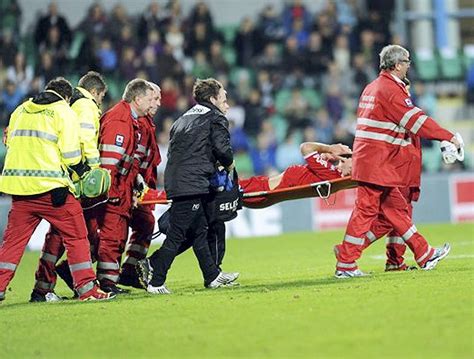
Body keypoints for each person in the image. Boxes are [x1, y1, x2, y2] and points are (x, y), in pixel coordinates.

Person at [333, 44, 459, 278]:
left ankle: (424, 254)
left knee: (396, 211)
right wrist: (448, 136)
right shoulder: (390, 90)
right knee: (366, 212)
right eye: (407, 61)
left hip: (373, 162)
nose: (409, 65)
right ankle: (346, 263)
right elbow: (417, 122)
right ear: (398, 65)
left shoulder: (372, 87)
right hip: (378, 163)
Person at [0, 77, 114, 302]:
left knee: (12, 243)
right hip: (53, 190)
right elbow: (71, 154)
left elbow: (9, 142)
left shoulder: (20, 109)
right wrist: (84, 172)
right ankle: (87, 289)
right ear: (67, 96)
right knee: (77, 236)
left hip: (20, 190)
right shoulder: (63, 111)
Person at [137, 78, 239, 294]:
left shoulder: (183, 118)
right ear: (212, 99)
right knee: (177, 235)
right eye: (224, 99)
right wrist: (229, 164)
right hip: (191, 184)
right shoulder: (215, 118)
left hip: (179, 180)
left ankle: (212, 276)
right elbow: (223, 149)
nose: (227, 105)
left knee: (200, 232)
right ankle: (156, 280)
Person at [30, 71, 108, 301]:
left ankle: (43, 287)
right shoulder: (86, 106)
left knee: (57, 236)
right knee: (82, 234)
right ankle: (81, 284)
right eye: (102, 96)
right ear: (95, 92)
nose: (101, 101)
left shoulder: (70, 104)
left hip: (61, 178)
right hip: (77, 181)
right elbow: (85, 141)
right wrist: (94, 173)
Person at [96, 78, 154, 294]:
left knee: (116, 234)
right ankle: (106, 283)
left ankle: (110, 279)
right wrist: (111, 193)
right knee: (112, 235)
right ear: (137, 99)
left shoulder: (132, 120)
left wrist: (137, 183)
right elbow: (109, 161)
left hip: (123, 188)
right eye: (149, 99)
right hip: (114, 191)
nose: (152, 104)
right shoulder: (120, 120)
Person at [119, 82, 162, 289]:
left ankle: (129, 270)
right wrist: (136, 188)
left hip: (139, 187)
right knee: (119, 230)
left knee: (144, 224)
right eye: (155, 99)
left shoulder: (147, 123)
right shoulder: (141, 125)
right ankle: (127, 271)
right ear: (141, 98)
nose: (159, 103)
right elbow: (137, 160)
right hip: (133, 188)